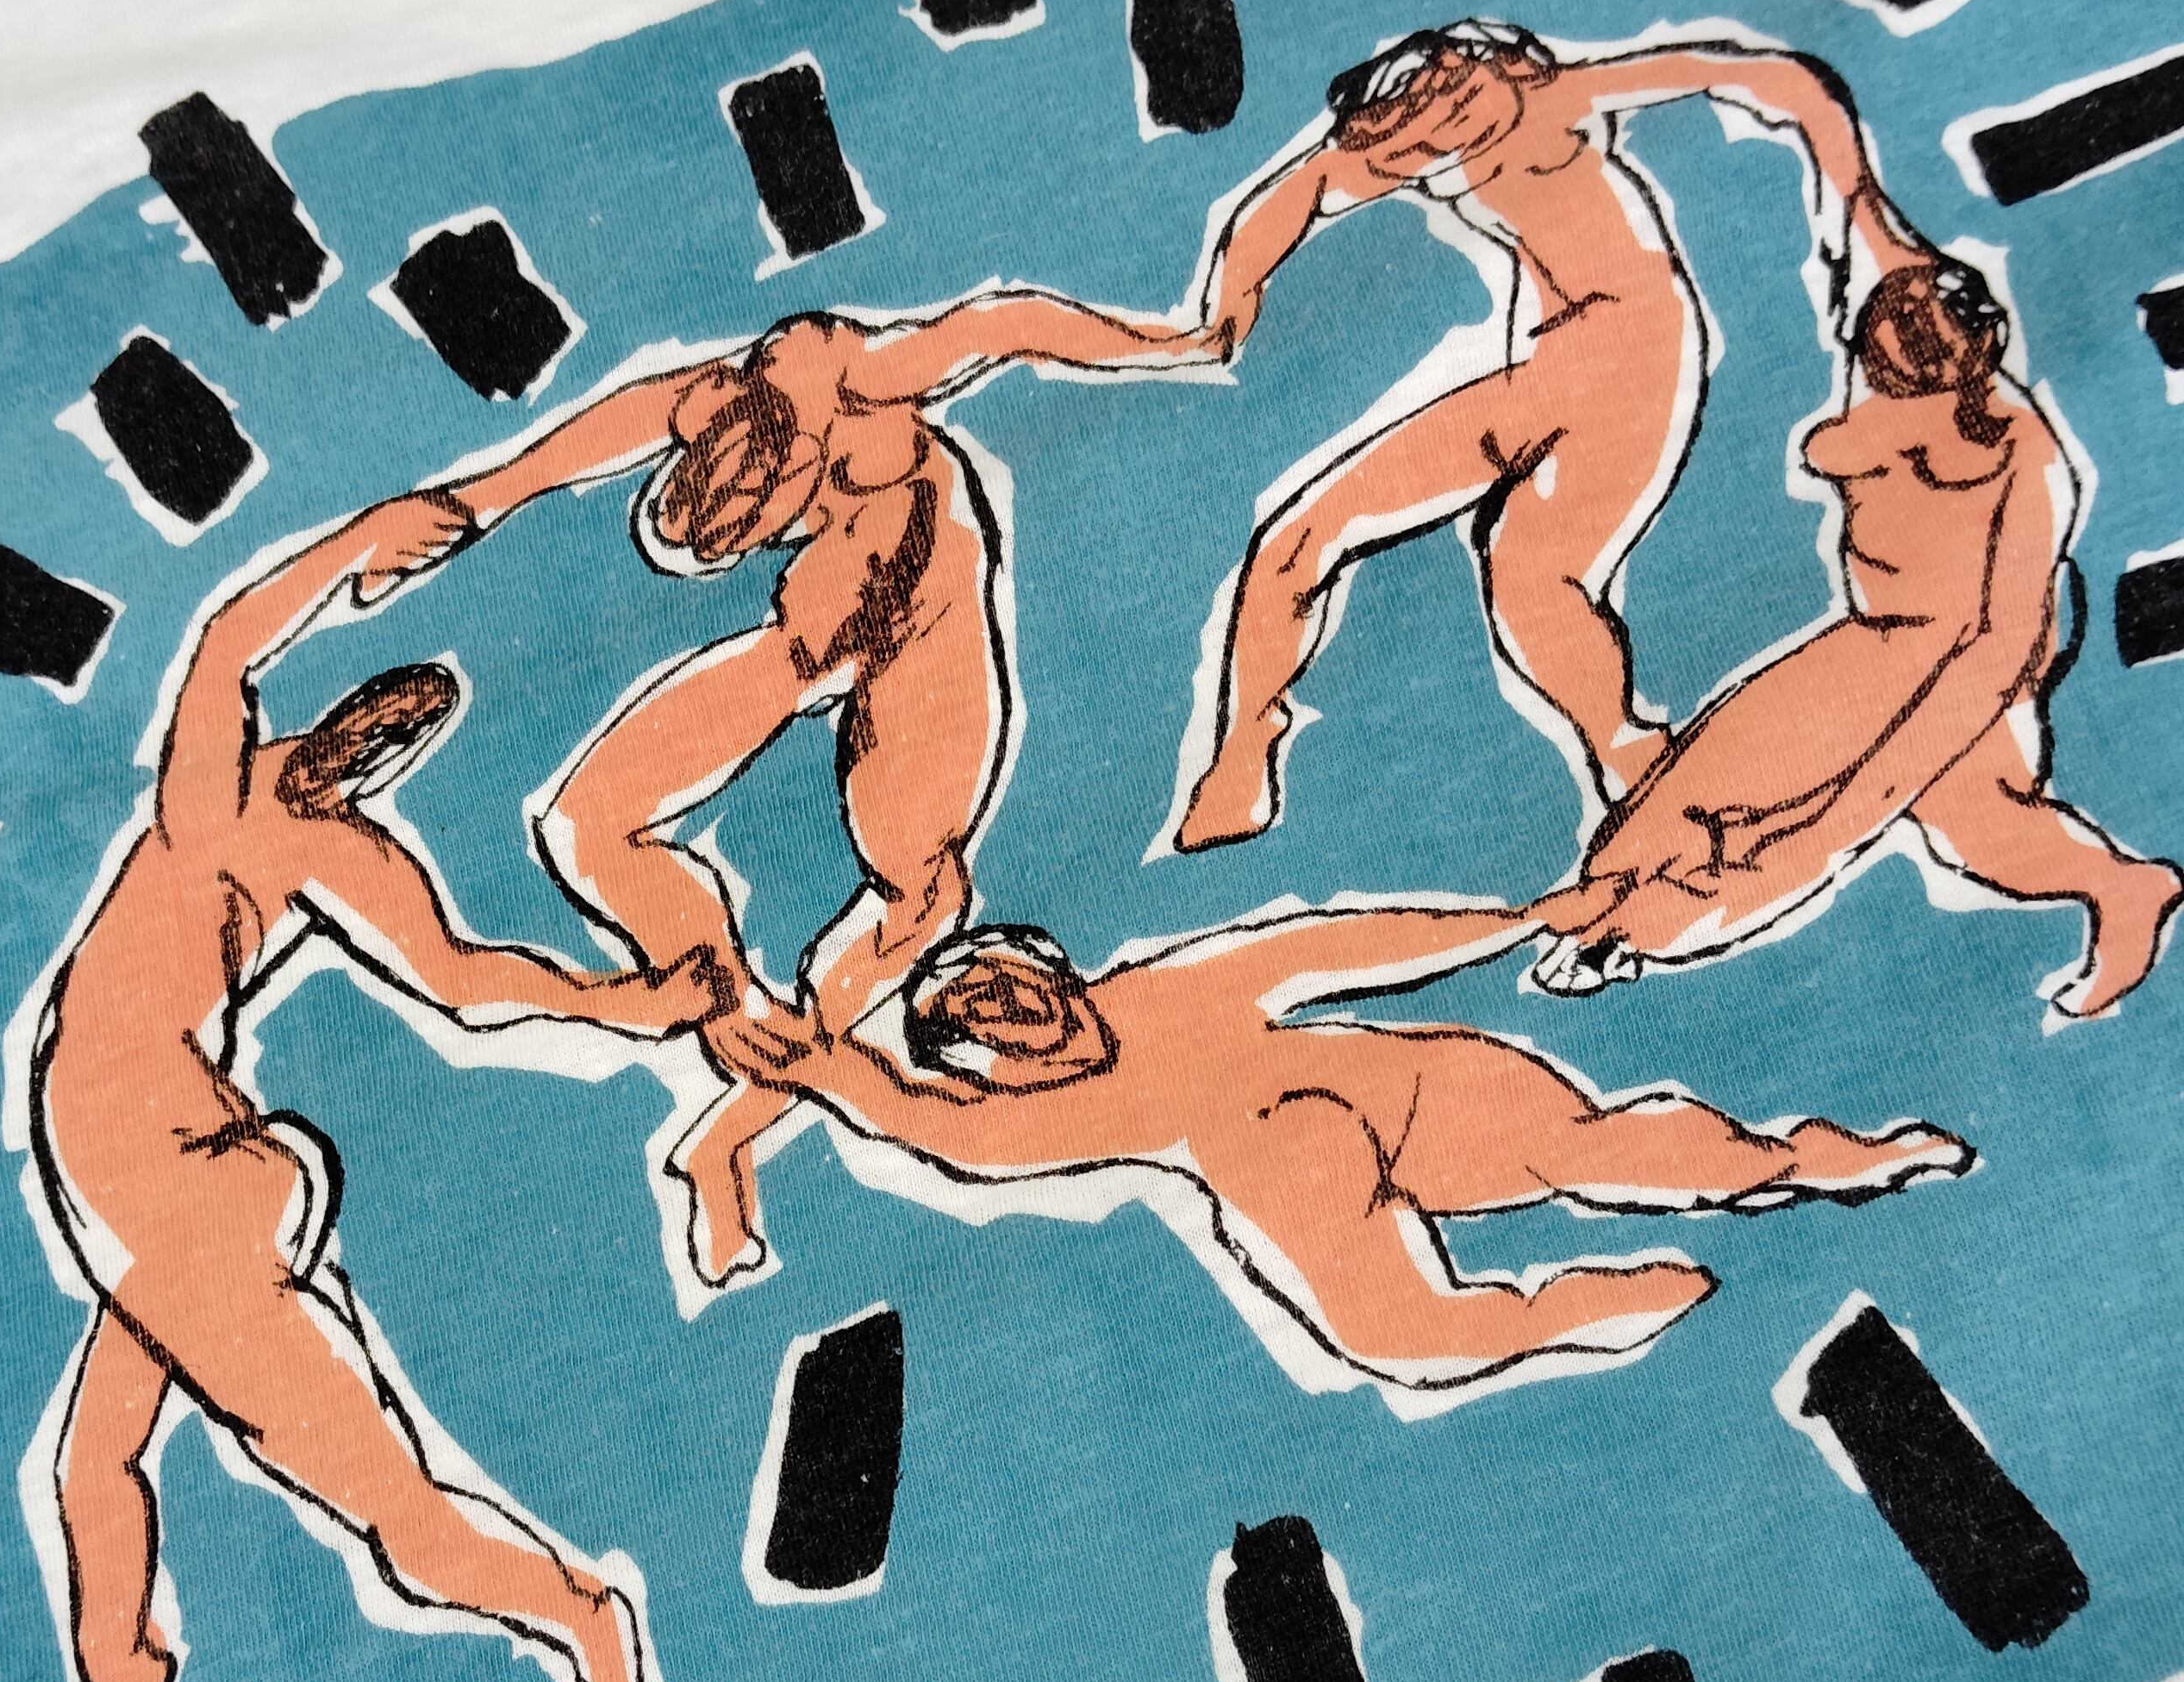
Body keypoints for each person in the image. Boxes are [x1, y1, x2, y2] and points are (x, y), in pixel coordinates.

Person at [29, 499, 714, 1682]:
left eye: (394, 746)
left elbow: (464, 979)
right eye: (371, 721)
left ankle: (595, 1639)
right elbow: (229, 639)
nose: (368, 750)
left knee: (401, 1522)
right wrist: (361, 545)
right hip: (162, 1190)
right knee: (92, 1461)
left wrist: (635, 1005)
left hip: (184, 1195)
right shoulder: (213, 793)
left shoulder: (318, 847)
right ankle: (126, 1680)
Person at [353, 291, 1213, 1285]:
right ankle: (723, 997)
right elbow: (604, 430)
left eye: (767, 524)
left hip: (923, 621)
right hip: (811, 634)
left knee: (921, 896)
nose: (767, 540)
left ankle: (728, 1135)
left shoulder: (861, 378)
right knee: (585, 822)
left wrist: (1170, 342)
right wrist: (474, 502)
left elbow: (1001, 326)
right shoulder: (711, 400)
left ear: (800, 467)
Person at [708, 901, 1969, 1397]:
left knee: (1611, 1152)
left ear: (1056, 970)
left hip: (1395, 1089)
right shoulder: (1041, 1110)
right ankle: (1599, 1300)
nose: (1024, 1021)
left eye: (1019, 993)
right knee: (1409, 1335)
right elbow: (926, 1121)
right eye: (992, 1025)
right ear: (988, 1056)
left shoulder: (1166, 986)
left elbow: (1338, 946)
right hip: (1293, 1156)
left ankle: (1812, 1161)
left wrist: (1520, 921)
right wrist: (822, 1068)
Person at [1170, 17, 1910, 850]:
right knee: (1322, 544)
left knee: (1518, 577)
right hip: (1559, 365)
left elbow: (1775, 78)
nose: (1452, 110)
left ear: (1495, 62)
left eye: (1458, 81)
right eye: (1425, 114)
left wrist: (1873, 227)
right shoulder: (1430, 142)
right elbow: (1305, 187)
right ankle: (1243, 760)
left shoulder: (1554, 100)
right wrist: (1220, 313)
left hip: (1629, 356)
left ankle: (1632, 763)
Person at [1533, 258, 2183, 1016]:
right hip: (1881, 636)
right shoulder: (1880, 389)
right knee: (1729, 774)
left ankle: (1631, 934)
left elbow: (2004, 633)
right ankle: (1611, 907)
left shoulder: (2025, 454)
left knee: (1925, 821)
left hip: (1973, 660)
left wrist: (1912, 747)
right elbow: (1870, 241)